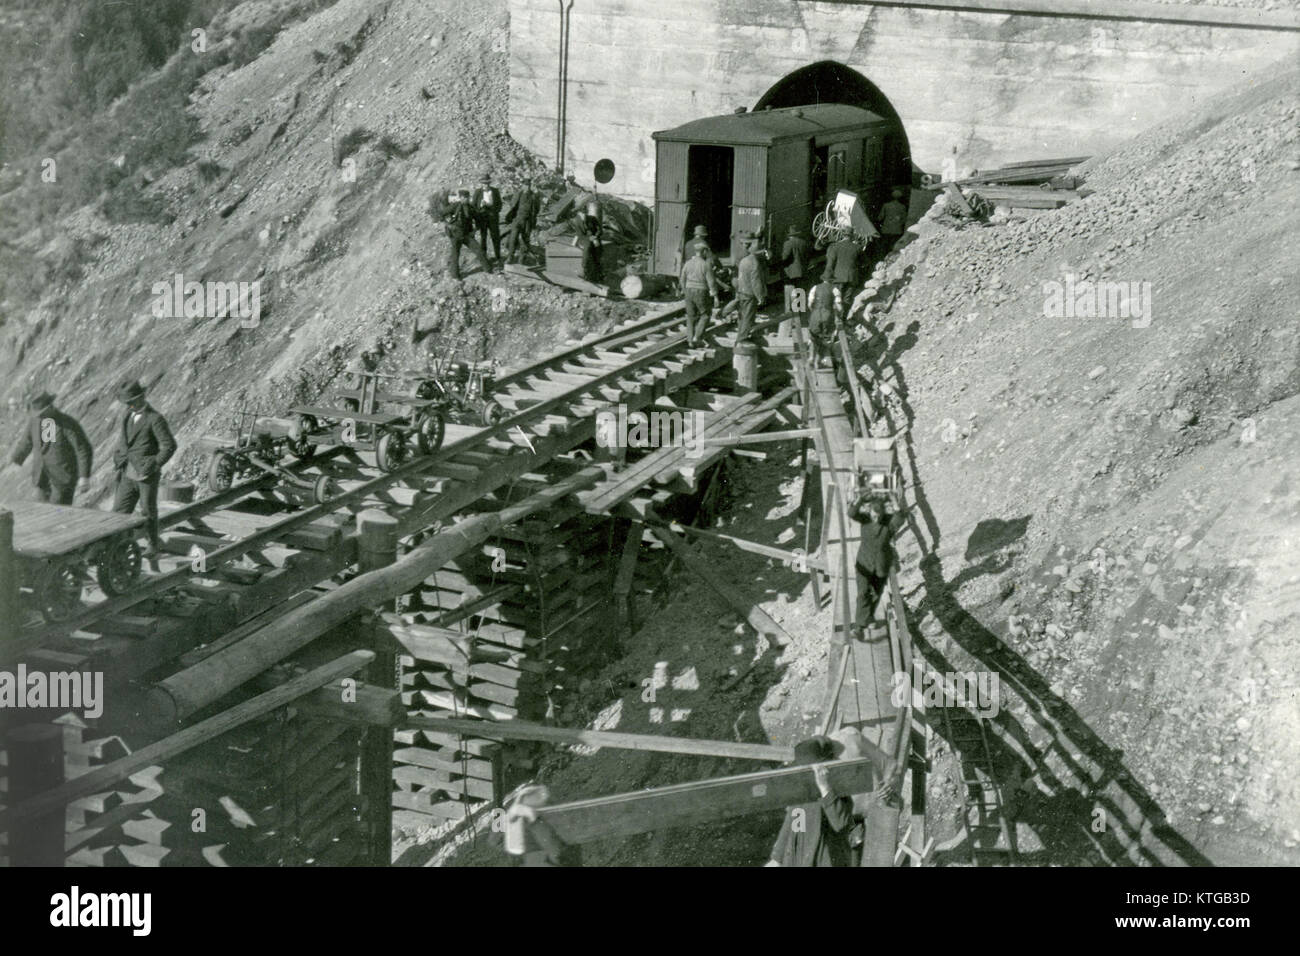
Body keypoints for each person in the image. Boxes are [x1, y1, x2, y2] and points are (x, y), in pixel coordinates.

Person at [767, 736, 856, 867]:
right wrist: (776, 859)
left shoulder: (836, 792)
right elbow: (793, 827)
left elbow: (842, 824)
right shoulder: (800, 795)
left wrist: (825, 788)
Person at [111, 379, 176, 556]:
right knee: (119, 511)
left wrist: (154, 464)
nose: (129, 405)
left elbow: (169, 445)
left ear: (141, 398)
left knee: (147, 510)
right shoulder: (126, 415)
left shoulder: (155, 419)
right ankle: (117, 545)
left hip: (146, 475)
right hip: (127, 472)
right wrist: (119, 455)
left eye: (131, 402)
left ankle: (153, 545)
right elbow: (124, 440)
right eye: (127, 403)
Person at [9, 391, 93, 505]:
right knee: (41, 512)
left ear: (51, 407)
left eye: (42, 412)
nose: (40, 415)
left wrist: (84, 476)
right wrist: (15, 459)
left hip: (62, 479)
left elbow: (83, 449)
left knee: (58, 514)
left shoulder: (67, 423)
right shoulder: (34, 421)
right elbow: (26, 442)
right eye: (37, 413)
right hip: (41, 477)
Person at [849, 492, 908, 636]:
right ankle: (859, 626)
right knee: (862, 593)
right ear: (870, 513)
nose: (876, 519)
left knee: (876, 593)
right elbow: (851, 513)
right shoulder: (865, 520)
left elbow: (901, 517)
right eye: (874, 516)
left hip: (881, 565)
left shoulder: (889, 524)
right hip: (864, 563)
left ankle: (868, 618)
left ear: (882, 514)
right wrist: (861, 498)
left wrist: (894, 501)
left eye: (879, 516)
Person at [437, 188, 489, 280]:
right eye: (465, 197)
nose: (467, 199)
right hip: (455, 235)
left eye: (468, 197)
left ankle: (488, 269)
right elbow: (441, 213)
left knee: (478, 250)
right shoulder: (455, 206)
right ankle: (455, 275)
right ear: (460, 198)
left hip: (467, 235)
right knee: (455, 255)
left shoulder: (470, 207)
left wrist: (475, 230)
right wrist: (447, 224)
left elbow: (478, 219)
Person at [679, 240, 718, 345]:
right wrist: (715, 296)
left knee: (690, 316)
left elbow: (682, 279)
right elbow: (711, 282)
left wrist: (684, 290)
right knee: (705, 315)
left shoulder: (687, 263)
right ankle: (697, 336)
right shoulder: (705, 265)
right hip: (701, 291)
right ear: (704, 251)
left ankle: (690, 340)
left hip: (688, 290)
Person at [734, 235, 767, 344]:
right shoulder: (755, 264)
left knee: (742, 316)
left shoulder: (744, 261)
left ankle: (741, 333)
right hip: (749, 294)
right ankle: (742, 339)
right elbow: (756, 283)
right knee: (748, 317)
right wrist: (760, 297)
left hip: (741, 292)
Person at [502, 177, 541, 264]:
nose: (527, 187)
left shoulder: (533, 196)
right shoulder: (518, 194)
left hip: (527, 221)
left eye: (528, 185)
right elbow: (512, 205)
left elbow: (537, 209)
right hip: (517, 219)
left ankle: (521, 259)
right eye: (525, 185)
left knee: (525, 240)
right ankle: (510, 257)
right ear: (522, 186)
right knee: (513, 238)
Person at [807, 277, 841, 365]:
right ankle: (820, 360)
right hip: (828, 315)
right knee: (825, 337)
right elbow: (839, 306)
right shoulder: (835, 289)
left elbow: (810, 303)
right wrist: (838, 314)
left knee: (813, 336)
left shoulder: (815, 287)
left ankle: (811, 357)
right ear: (832, 280)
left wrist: (814, 311)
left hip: (816, 314)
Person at [471, 172, 503, 265]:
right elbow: (473, 207)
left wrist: (491, 207)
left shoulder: (495, 191)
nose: (485, 185)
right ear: (481, 183)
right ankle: (484, 258)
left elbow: (500, 205)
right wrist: (480, 207)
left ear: (489, 183)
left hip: (493, 219)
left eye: (487, 183)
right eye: (483, 183)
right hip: (482, 219)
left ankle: (498, 257)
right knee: (483, 238)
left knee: (495, 238)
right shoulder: (477, 192)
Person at [823, 231, 862, 302]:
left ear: (842, 235)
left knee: (836, 300)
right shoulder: (858, 248)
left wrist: (826, 278)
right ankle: (844, 312)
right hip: (851, 278)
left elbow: (830, 263)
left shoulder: (834, 246)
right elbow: (864, 263)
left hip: (837, 278)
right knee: (846, 300)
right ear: (853, 236)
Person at [780, 225, 811, 312]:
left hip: (790, 273)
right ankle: (800, 313)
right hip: (802, 271)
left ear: (790, 235)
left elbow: (784, 257)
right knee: (800, 292)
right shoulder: (804, 243)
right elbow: (808, 257)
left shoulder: (788, 243)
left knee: (790, 294)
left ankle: (790, 314)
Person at [575, 202, 603, 284]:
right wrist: (589, 238)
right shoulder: (576, 221)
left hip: (594, 237)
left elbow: (599, 230)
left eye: (585, 212)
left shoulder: (593, 219)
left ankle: (598, 271)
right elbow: (580, 234)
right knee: (588, 246)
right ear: (579, 213)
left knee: (598, 247)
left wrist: (595, 236)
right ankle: (584, 268)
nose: (584, 214)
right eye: (582, 213)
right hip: (583, 238)